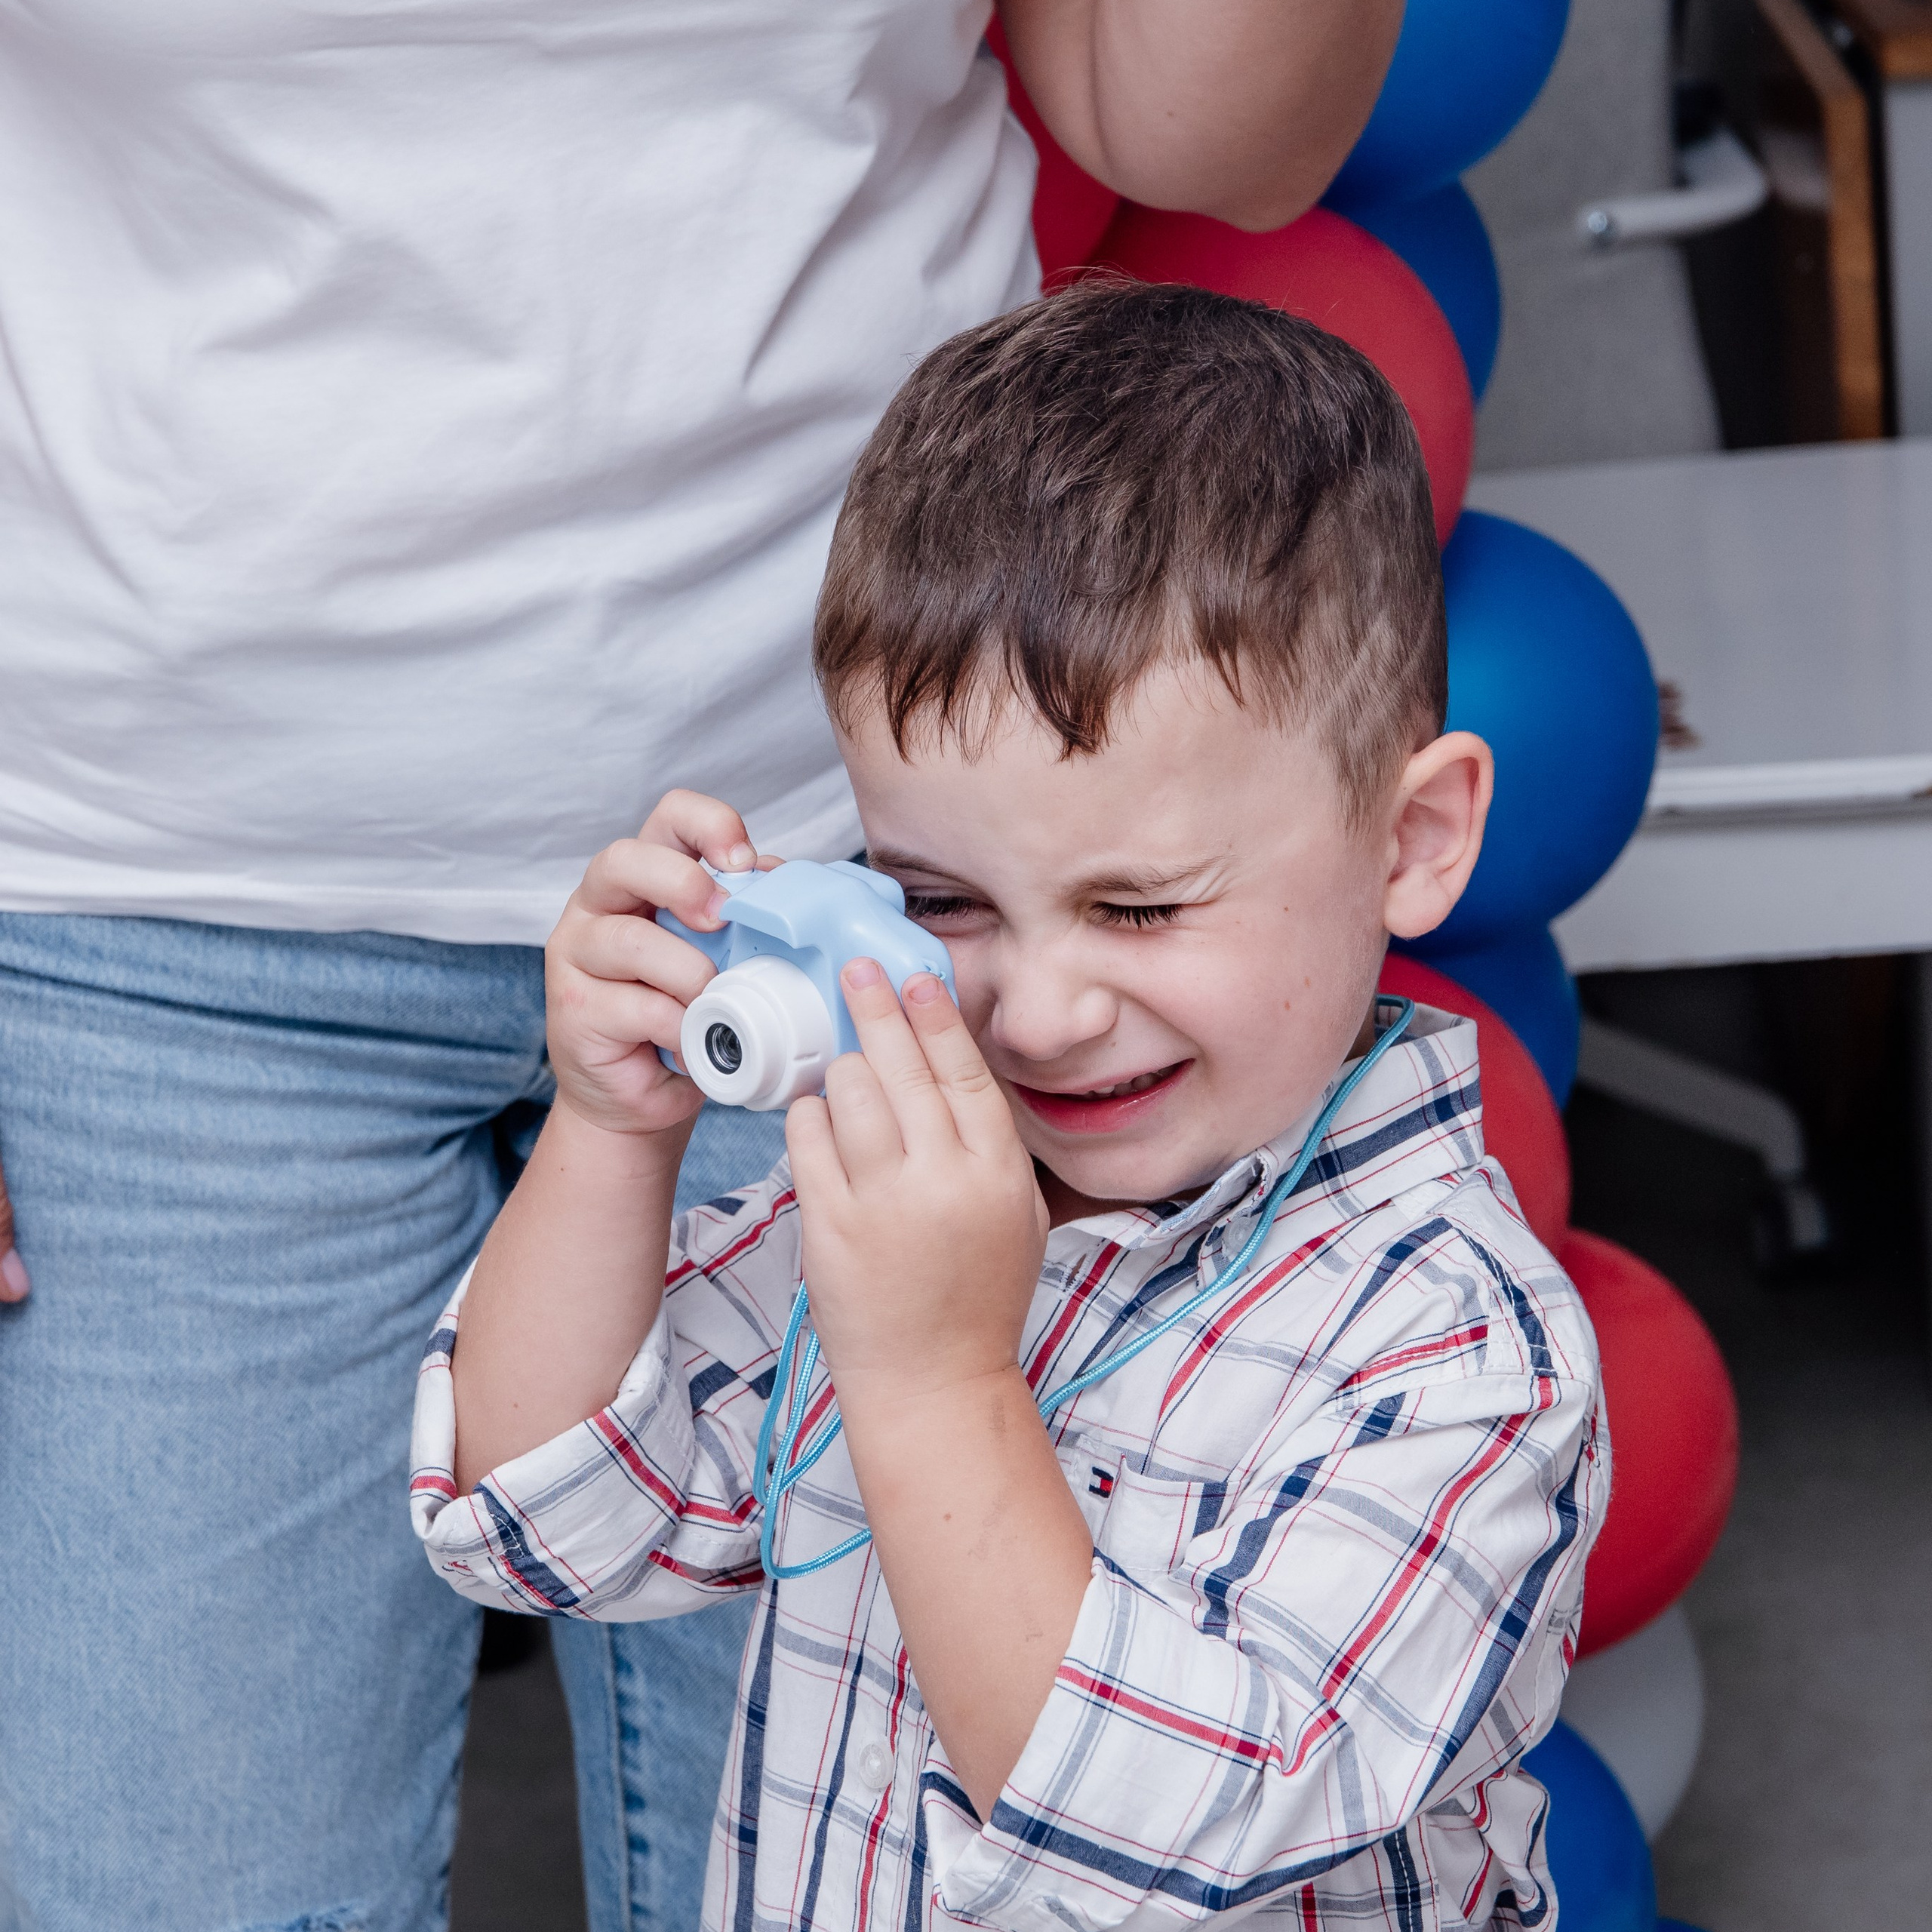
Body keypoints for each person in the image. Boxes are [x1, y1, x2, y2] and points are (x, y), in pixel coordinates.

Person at [0, 8, 1404, 1929]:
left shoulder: (1430, 1315)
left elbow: (1199, 126)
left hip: (879, 884)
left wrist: (920, 1364)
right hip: (129, 887)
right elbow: (532, 1498)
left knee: (912, 1859)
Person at [413, 282, 1608, 1931]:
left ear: (1408, 841)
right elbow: (543, 1512)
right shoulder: (917, 1194)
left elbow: (1139, 1840)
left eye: (1139, 907)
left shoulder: (1450, 1350)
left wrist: (931, 1373)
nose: (1036, 1012)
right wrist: (612, 1135)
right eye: (942, 900)